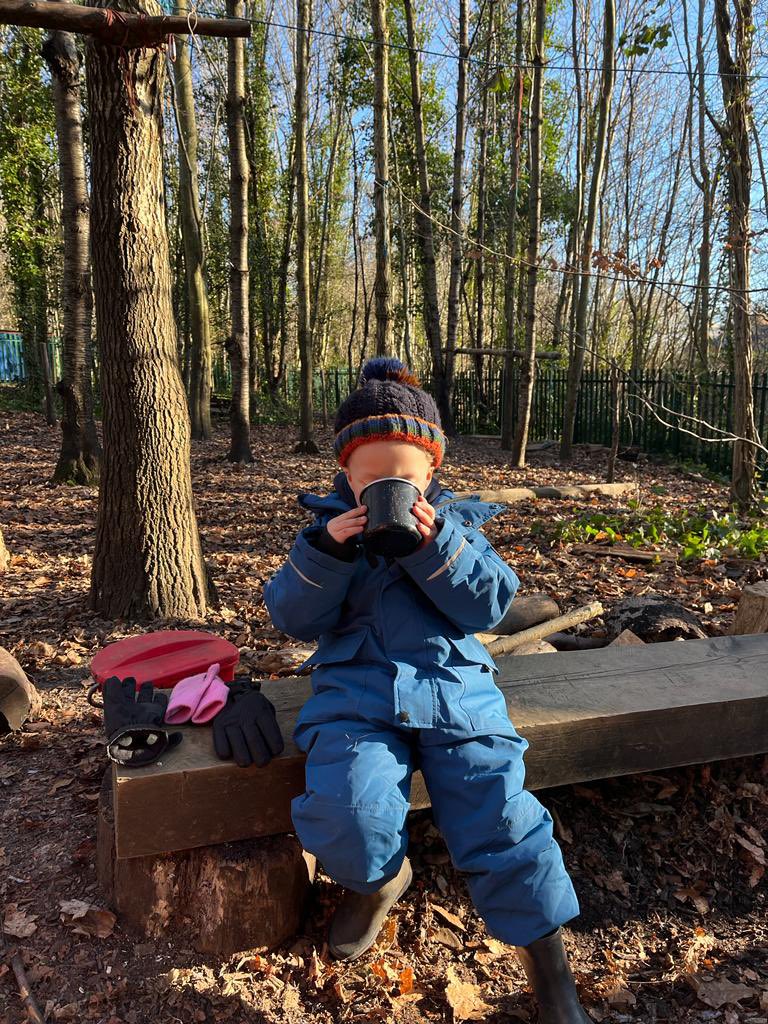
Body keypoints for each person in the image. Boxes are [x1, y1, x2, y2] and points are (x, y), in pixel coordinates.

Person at [263, 358, 590, 1023]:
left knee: (501, 812)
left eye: (405, 478)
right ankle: (376, 883)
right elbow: (292, 616)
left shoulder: (456, 527)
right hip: (356, 694)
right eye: (372, 477)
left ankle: (551, 973)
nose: (387, 488)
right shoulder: (325, 533)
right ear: (346, 475)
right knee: (350, 807)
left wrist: (434, 547)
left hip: (455, 690)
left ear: (431, 475)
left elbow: (490, 604)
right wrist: (327, 551)